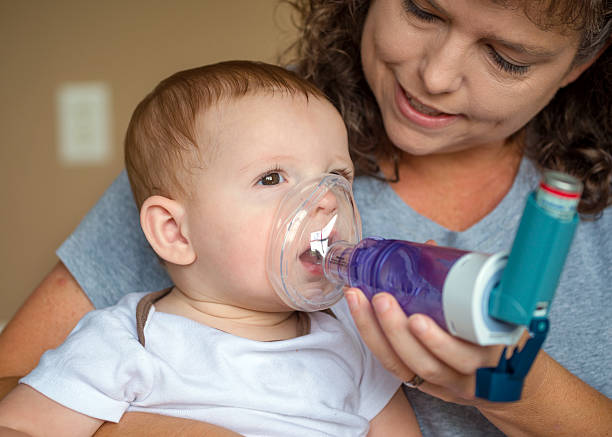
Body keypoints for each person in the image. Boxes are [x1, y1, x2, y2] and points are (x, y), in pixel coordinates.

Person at [0, 0, 610, 435]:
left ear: (582, 64)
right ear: (174, 231)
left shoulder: (346, 342)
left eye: (505, 56)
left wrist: (519, 392)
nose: (435, 76)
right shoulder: (127, 337)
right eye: (424, 11)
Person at [0, 61, 419, 437]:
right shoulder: (125, 343)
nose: (326, 199)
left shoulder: (350, 334)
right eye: (272, 179)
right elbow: (16, 426)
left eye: (336, 175)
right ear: (175, 233)